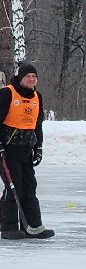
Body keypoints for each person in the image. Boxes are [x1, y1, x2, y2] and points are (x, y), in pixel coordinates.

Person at [0, 62, 52, 240]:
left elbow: (37, 125)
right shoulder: (7, 93)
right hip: (7, 150)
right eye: (28, 76)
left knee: (29, 187)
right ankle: (8, 227)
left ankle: (33, 226)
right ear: (20, 78)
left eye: (34, 76)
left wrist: (39, 148)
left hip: (26, 149)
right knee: (14, 186)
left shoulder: (37, 96)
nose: (31, 79)